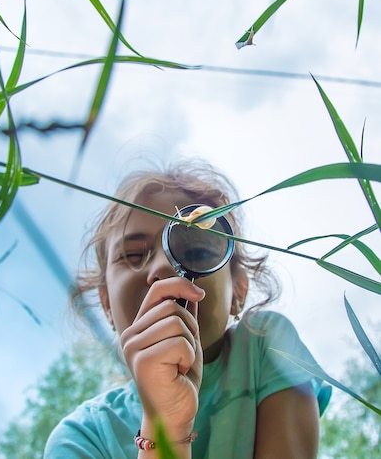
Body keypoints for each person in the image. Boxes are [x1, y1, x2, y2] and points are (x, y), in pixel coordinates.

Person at [45, 160, 330, 458]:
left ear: (239, 292)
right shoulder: (83, 438)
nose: (164, 267)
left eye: (196, 251)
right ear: (106, 304)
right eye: (131, 254)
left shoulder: (266, 347)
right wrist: (166, 423)